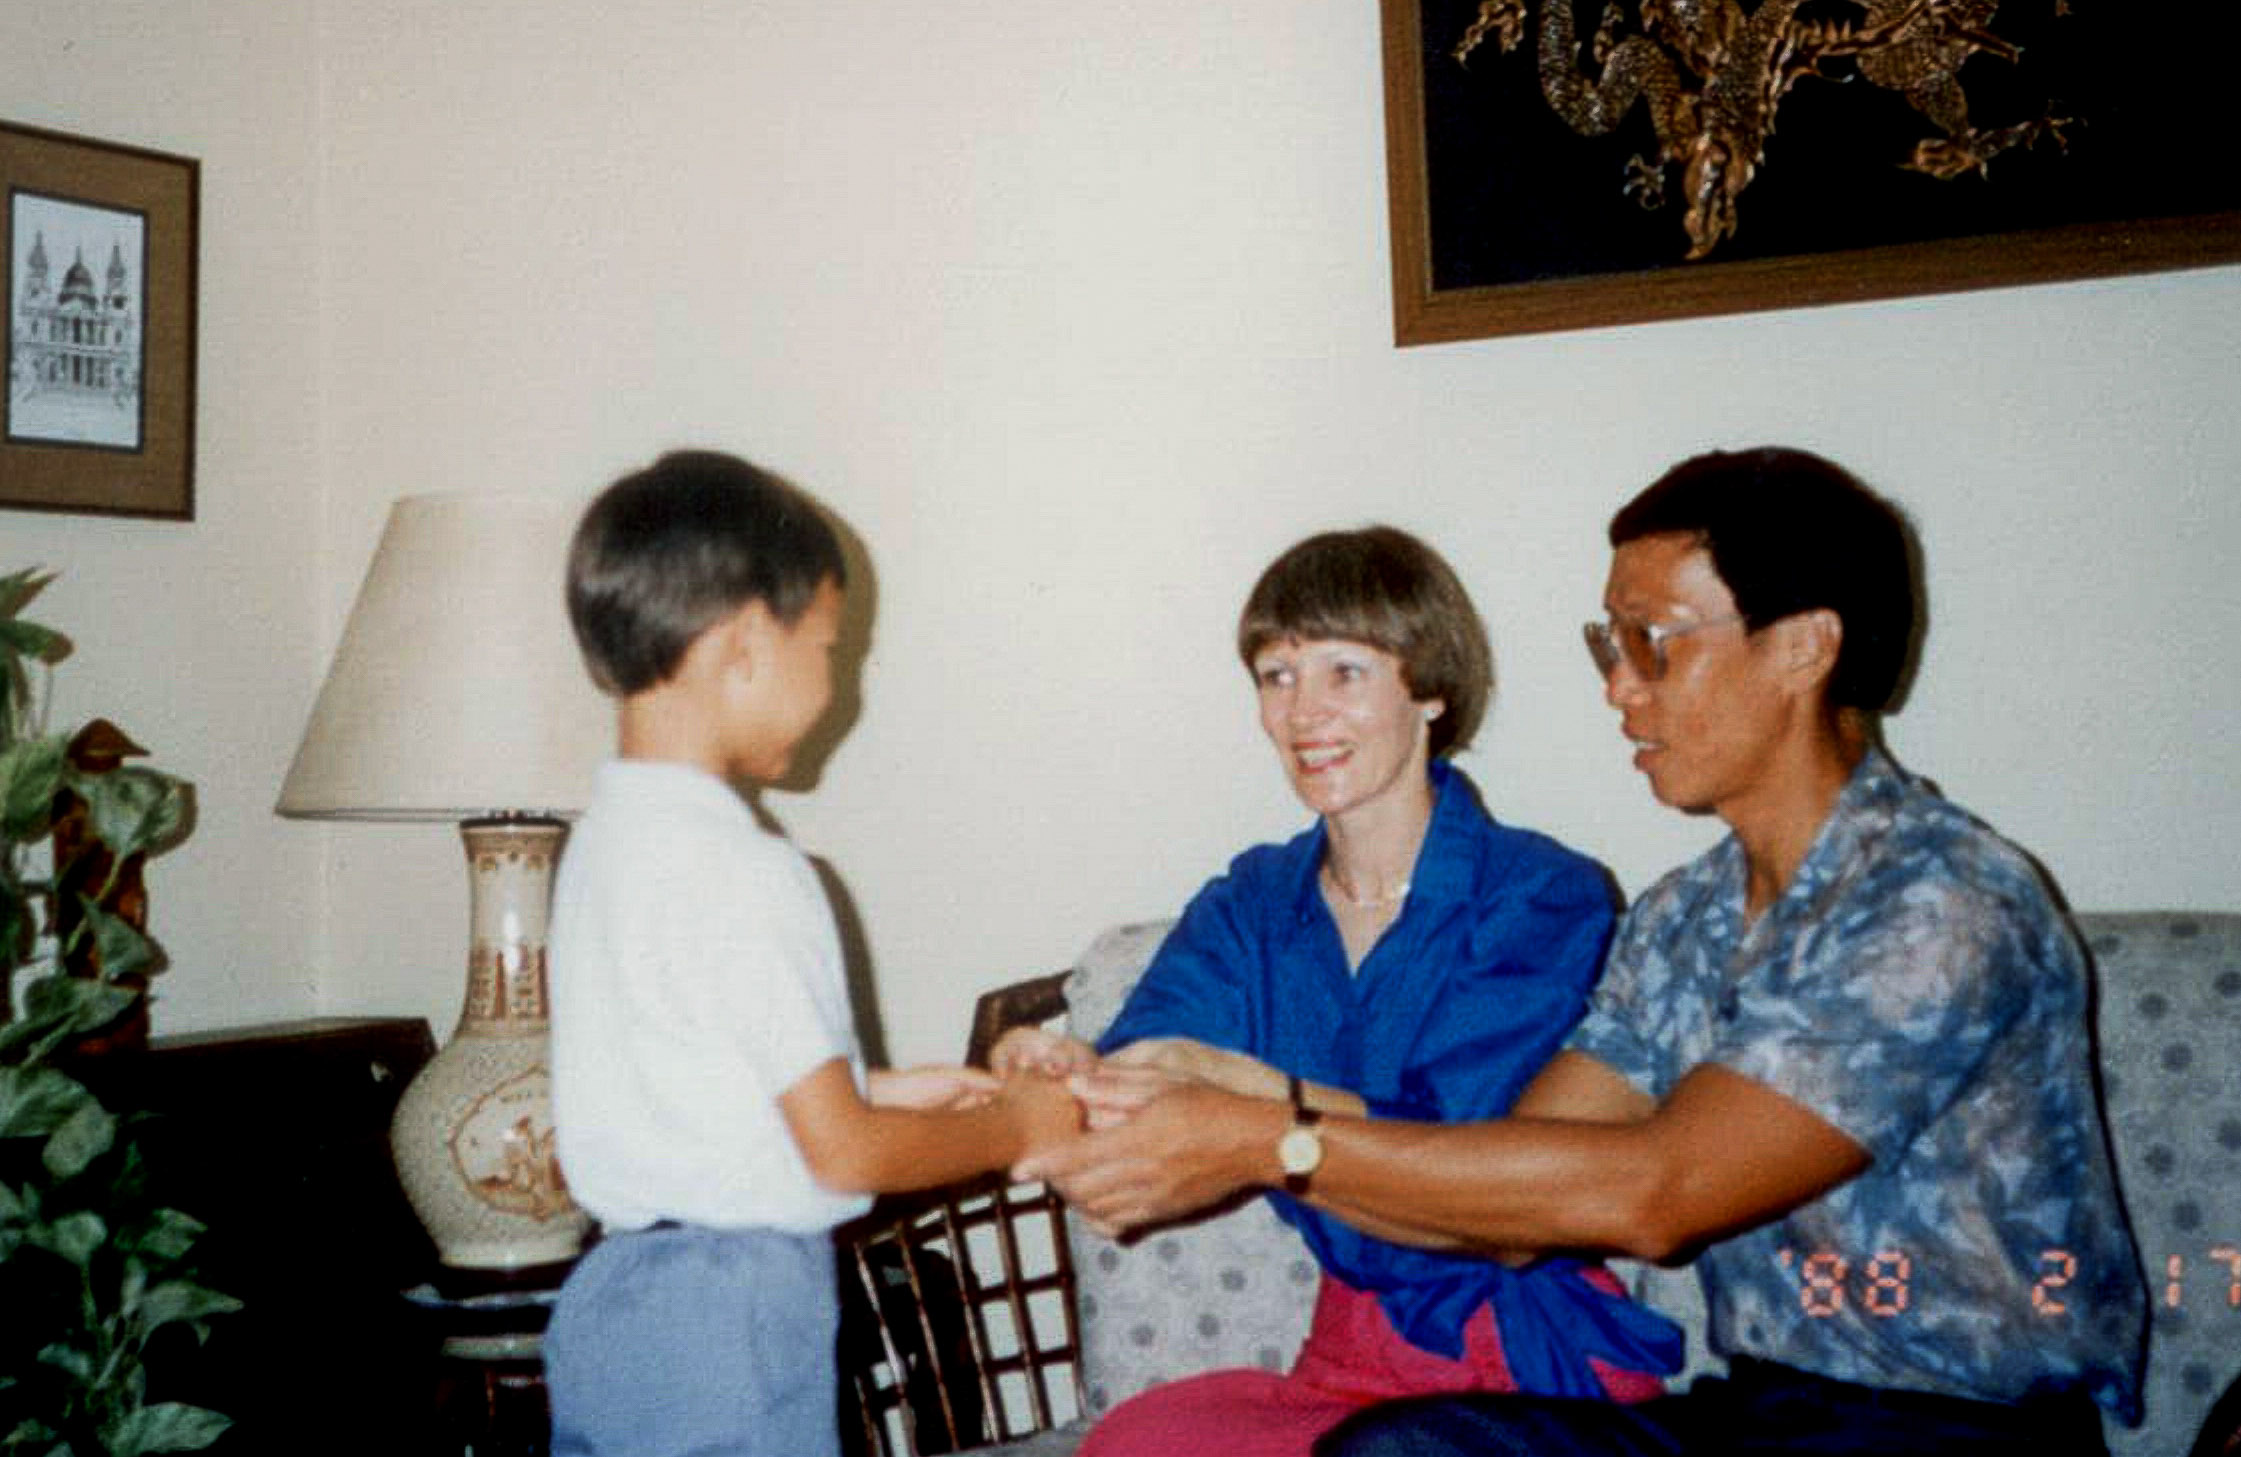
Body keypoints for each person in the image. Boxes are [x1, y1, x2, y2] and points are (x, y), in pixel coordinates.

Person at [1020, 449, 2149, 1455]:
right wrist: (1174, 1096)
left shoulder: (1939, 902)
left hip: (1960, 1431)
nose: (1617, 685)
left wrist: (1263, 1135)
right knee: (1396, 1449)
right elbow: (1514, 1185)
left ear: (1803, 647)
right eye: (1609, 644)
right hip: (1760, 1411)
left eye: (1654, 643)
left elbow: (1656, 1192)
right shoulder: (1686, 916)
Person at [996, 526, 1680, 1457]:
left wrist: (1236, 1086)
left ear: (1429, 689)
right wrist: (1060, 1071)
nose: (1303, 712)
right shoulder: (1252, 899)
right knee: (1137, 1440)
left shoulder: (1540, 892)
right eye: (1276, 675)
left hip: (1520, 1356)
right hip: (1348, 1355)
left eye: (1344, 671)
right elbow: (1147, 1064)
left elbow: (1464, 1159)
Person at [544, 450, 1078, 1457]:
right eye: (830, 647)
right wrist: (1016, 1125)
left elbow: (690, 1075)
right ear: (747, 643)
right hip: (735, 1316)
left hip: (612, 1305)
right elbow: (843, 1155)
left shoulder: (600, 850)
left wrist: (880, 1086)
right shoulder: (751, 870)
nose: (839, 689)